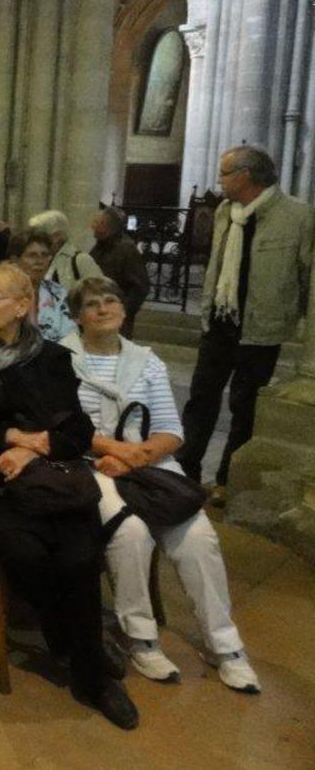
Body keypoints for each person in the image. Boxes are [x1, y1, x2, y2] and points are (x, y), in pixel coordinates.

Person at [0, 264, 138, 730]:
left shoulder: (51, 358)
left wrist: (33, 449)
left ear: (22, 305)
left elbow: (78, 431)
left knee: (79, 555)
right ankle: (80, 643)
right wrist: (10, 437)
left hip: (51, 476)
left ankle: (90, 678)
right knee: (27, 552)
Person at [61, 278, 259, 693]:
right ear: (77, 316)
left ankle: (224, 644)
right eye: (92, 304)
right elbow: (65, 428)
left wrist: (137, 456)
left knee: (198, 535)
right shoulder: (62, 359)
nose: (103, 309)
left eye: (111, 300)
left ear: (124, 309)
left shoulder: (147, 361)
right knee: (130, 531)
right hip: (91, 464)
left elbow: (171, 430)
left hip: (147, 462)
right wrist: (115, 453)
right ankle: (141, 638)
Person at [180, 146, 314, 496]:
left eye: (224, 174)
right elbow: (217, 264)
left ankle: (227, 480)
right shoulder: (226, 211)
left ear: (245, 176)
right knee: (200, 399)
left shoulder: (298, 216)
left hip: (260, 328)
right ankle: (186, 471)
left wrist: (297, 318)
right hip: (220, 322)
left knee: (245, 405)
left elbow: (306, 276)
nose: (219, 180)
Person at [89, 207, 149, 338]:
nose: (92, 226)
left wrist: (122, 311)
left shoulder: (126, 249)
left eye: (96, 222)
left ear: (106, 226)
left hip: (115, 318)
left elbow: (140, 287)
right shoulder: (100, 247)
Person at [11, 230, 77, 343]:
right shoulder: (2, 293)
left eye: (45, 255)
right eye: (32, 255)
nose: (40, 261)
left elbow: (71, 335)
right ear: (15, 260)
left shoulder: (58, 292)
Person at [27, 209, 104, 294]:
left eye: (39, 236)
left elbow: (100, 292)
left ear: (56, 236)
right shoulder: (43, 260)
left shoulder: (81, 260)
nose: (35, 241)